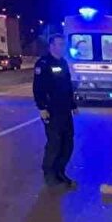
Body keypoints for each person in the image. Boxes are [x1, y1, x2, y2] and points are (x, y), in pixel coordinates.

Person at [32, 34, 79, 188]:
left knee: (68, 143)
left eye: (64, 44)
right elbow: (38, 88)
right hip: (51, 111)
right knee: (54, 143)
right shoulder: (43, 63)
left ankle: (60, 172)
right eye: (60, 44)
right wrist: (42, 108)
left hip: (65, 110)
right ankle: (49, 174)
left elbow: (67, 87)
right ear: (52, 46)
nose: (63, 47)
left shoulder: (63, 63)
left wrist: (73, 105)